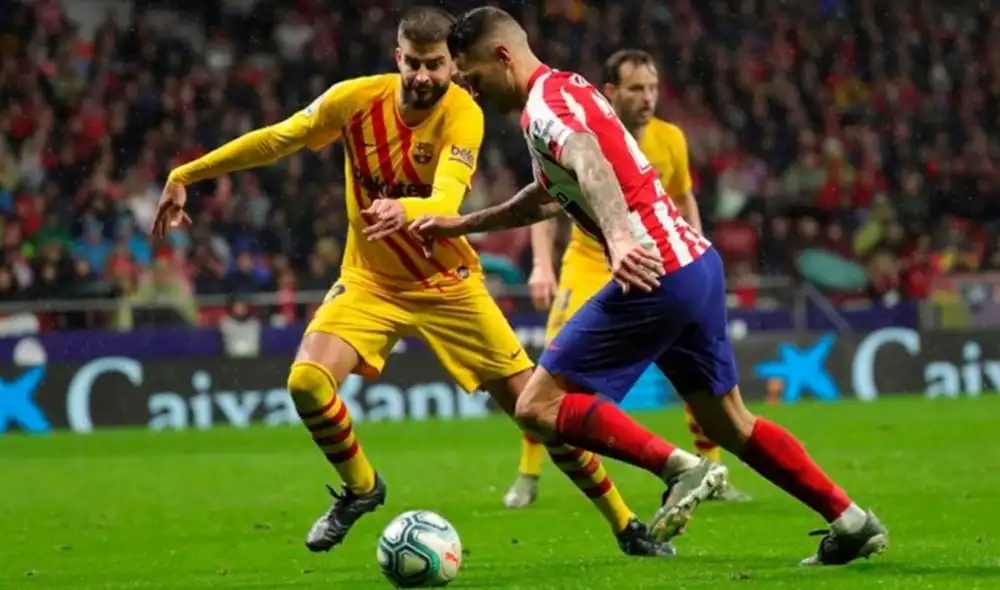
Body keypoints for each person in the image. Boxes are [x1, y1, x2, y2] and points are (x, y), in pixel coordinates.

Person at [150, 6, 706, 557]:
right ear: (398, 57)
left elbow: (448, 196)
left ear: (452, 66)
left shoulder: (465, 112)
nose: (423, 76)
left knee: (538, 411)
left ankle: (625, 524)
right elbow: (277, 138)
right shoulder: (354, 99)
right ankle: (363, 488)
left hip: (449, 285)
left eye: (435, 65)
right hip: (369, 281)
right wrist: (187, 175)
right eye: (413, 63)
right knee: (306, 384)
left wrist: (408, 208)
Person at [412, 6, 888, 564]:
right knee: (730, 423)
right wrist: (461, 223)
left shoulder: (545, 106)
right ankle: (851, 521)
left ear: (501, 56)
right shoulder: (568, 92)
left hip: (653, 270)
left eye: (471, 77)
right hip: (694, 266)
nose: (470, 90)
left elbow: (588, 159)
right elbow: (544, 195)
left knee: (536, 406)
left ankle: (681, 468)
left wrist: (617, 237)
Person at [504, 48, 750, 510]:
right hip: (590, 257)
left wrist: (695, 247)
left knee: (692, 365)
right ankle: (528, 473)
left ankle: (709, 463)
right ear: (611, 93)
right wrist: (540, 264)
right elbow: (546, 202)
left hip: (656, 255)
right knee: (548, 371)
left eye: (653, 88)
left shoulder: (670, 138)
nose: (648, 98)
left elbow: (682, 198)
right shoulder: (574, 125)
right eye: (637, 88)